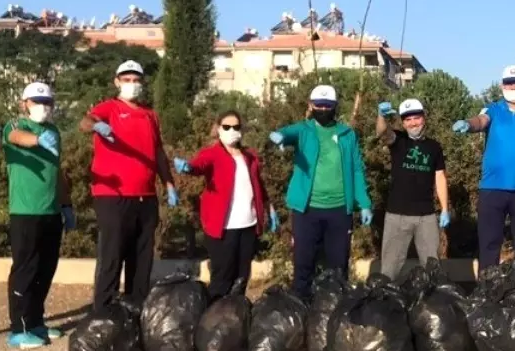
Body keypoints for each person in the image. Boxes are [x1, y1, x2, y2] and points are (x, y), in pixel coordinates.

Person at [79, 60, 178, 310]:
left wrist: (169, 184)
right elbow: (86, 121)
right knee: (112, 255)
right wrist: (97, 126)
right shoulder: (110, 107)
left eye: (136, 80)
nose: (131, 84)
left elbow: (158, 152)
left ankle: (136, 306)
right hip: (113, 196)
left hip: (146, 196)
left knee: (142, 256)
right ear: (117, 82)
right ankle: (103, 309)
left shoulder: (150, 115)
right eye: (126, 79)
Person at [269, 84, 372, 294]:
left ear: (335, 106)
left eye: (328, 105)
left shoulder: (347, 134)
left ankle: (335, 311)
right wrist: (278, 136)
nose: (323, 109)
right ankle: (301, 308)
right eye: (319, 105)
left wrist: (364, 203)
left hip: (340, 210)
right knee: (303, 264)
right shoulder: (304, 130)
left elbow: (357, 170)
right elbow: (286, 133)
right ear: (311, 105)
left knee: (338, 266)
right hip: (307, 210)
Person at [452, 65, 515, 270]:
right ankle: (486, 294)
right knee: (489, 246)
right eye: (509, 82)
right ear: (502, 85)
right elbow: (481, 121)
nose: (513, 86)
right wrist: (468, 124)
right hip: (492, 188)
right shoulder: (494, 109)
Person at [173, 111, 277, 301]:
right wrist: (188, 167)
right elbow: (199, 165)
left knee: (242, 276)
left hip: (248, 225)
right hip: (222, 228)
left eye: (236, 127)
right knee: (222, 276)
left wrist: (269, 208)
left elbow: (258, 185)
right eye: (227, 127)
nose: (232, 131)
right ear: (219, 129)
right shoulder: (212, 154)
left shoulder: (250, 156)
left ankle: (236, 315)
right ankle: (215, 317)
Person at [3, 82, 74, 349]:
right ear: (25, 104)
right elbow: (15, 138)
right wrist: (37, 140)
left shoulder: (53, 130)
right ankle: (18, 328)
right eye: (36, 102)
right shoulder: (16, 125)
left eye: (47, 103)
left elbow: (56, 172)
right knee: (25, 269)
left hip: (51, 211)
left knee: (46, 269)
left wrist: (66, 205)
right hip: (25, 211)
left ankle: (35, 321)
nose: (43, 107)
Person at [376, 98, 449, 280]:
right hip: (397, 215)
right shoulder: (398, 140)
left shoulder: (434, 147)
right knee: (389, 269)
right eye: (407, 120)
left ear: (424, 118)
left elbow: (439, 177)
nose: (413, 123)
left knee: (432, 268)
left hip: (426, 217)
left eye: (416, 118)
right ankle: (382, 303)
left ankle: (432, 304)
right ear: (403, 123)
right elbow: (382, 132)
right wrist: (381, 116)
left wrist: (445, 209)